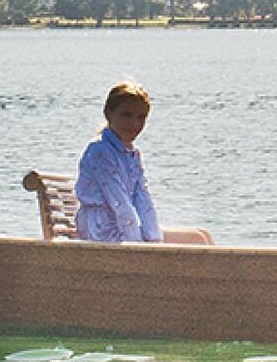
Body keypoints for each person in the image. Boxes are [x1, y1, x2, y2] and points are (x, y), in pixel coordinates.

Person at [76, 81, 213, 244]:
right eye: (126, 115)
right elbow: (121, 204)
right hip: (102, 232)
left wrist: (154, 238)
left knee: (202, 235)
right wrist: (140, 248)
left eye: (141, 117)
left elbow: (143, 199)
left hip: (124, 229)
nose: (134, 124)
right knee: (198, 241)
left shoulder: (132, 155)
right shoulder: (100, 151)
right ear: (108, 113)